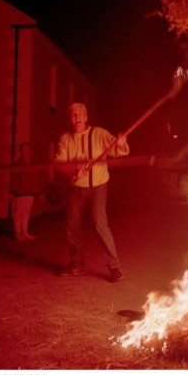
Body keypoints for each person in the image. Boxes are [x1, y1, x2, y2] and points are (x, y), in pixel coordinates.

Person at [54, 102, 129, 282]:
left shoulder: (99, 133)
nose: (77, 117)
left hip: (98, 186)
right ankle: (77, 264)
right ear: (70, 119)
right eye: (73, 114)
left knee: (100, 224)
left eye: (80, 114)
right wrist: (73, 170)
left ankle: (114, 267)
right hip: (76, 187)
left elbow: (117, 149)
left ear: (86, 117)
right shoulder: (65, 138)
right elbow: (59, 163)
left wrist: (120, 143)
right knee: (72, 226)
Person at [10, 142, 43, 241]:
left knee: (26, 213)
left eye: (27, 149)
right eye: (23, 149)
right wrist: (13, 192)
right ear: (21, 151)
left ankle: (24, 233)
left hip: (30, 193)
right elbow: (14, 179)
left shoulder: (33, 164)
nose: (26, 151)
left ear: (30, 151)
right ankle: (17, 233)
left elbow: (35, 180)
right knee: (18, 213)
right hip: (20, 193)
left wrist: (38, 193)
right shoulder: (18, 164)